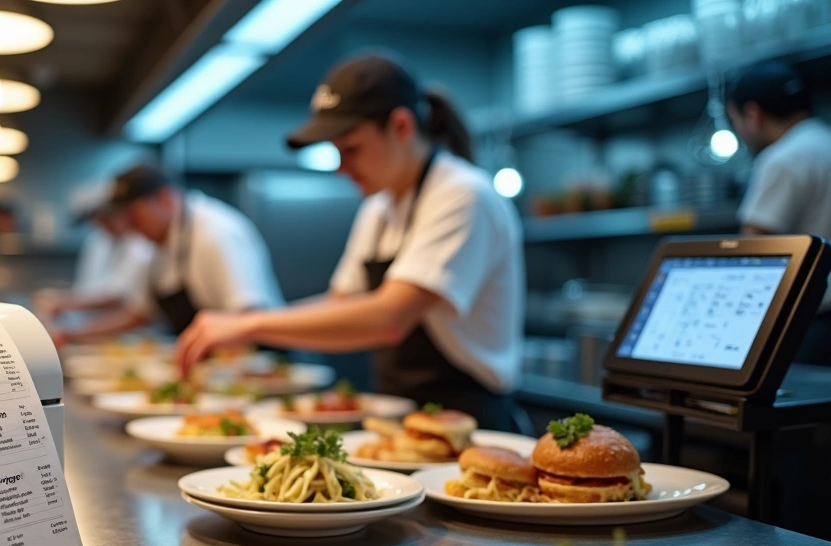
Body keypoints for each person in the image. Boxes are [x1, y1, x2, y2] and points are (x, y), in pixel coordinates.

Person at [175, 52, 525, 431]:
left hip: (470, 424)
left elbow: (389, 318)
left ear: (401, 126)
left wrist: (249, 326)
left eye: (351, 149)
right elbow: (341, 304)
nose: (341, 168)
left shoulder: (463, 195)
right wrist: (245, 324)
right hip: (398, 419)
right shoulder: (379, 208)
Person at [50, 164, 284, 345]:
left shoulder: (215, 233)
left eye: (134, 216)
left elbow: (250, 317)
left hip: (261, 364)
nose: (129, 227)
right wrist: (72, 335)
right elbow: (139, 314)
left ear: (165, 199)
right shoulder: (155, 244)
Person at [727, 60, 831, 365]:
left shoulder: (782, 159)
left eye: (735, 122)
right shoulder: (825, 143)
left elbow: (752, 251)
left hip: (814, 325)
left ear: (752, 114)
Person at [34, 204, 154, 321]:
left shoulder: (141, 244)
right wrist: (59, 300)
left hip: (124, 328)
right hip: (89, 323)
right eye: (98, 220)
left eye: (106, 219)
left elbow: (118, 296)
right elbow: (85, 287)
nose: (102, 225)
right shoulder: (97, 241)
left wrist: (63, 302)